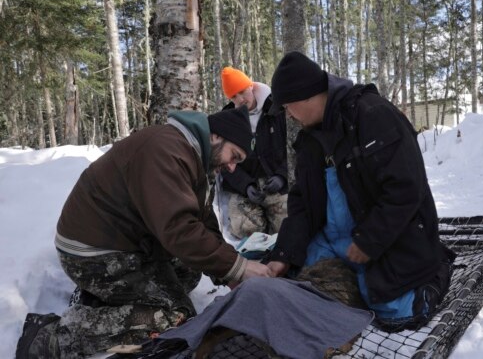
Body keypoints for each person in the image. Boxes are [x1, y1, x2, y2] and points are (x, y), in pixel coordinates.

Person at [16, 108, 272, 359]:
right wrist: (239, 267)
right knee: (172, 318)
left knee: (189, 271)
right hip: (93, 253)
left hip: (125, 242)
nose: (231, 167)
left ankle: (108, 301)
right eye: (234, 156)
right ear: (216, 137)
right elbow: (179, 230)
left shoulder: (193, 157)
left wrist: (228, 273)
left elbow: (202, 222)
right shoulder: (166, 151)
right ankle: (58, 336)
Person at [265, 52, 456, 332]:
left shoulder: (374, 115)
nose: (289, 116)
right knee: (294, 285)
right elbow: (302, 204)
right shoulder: (309, 140)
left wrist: (370, 240)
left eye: (288, 107)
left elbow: (406, 189)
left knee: (397, 316)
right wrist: (284, 253)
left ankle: (435, 267)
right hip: (335, 240)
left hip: (387, 236)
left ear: (305, 96)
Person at [217, 67, 288, 240]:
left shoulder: (278, 110)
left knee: (288, 225)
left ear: (251, 86)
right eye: (234, 96)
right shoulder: (226, 121)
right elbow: (224, 163)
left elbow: (294, 148)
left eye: (242, 92)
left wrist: (282, 175)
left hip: (278, 183)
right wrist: (245, 185)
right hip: (245, 188)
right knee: (244, 229)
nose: (240, 99)